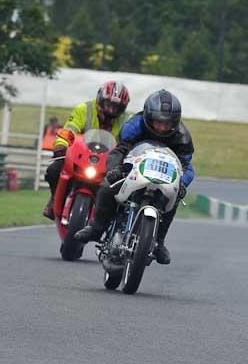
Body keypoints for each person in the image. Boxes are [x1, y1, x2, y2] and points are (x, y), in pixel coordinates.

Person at [74, 89, 195, 265]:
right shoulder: (134, 125)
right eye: (158, 122)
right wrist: (116, 169)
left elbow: (186, 166)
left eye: (167, 123)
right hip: (133, 168)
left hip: (163, 175)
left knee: (174, 198)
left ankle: (159, 242)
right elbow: (119, 150)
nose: (162, 127)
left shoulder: (182, 137)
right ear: (148, 117)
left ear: (175, 122)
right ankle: (96, 228)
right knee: (108, 185)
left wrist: (182, 183)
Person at [43, 82, 130, 219]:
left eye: (115, 107)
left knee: (121, 185)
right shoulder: (83, 109)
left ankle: (113, 219)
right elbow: (69, 129)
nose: (111, 110)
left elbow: (128, 142)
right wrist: (61, 145)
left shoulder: (126, 121)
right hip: (80, 156)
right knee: (53, 170)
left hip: (108, 163)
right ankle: (54, 199)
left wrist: (127, 157)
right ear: (100, 99)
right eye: (108, 105)